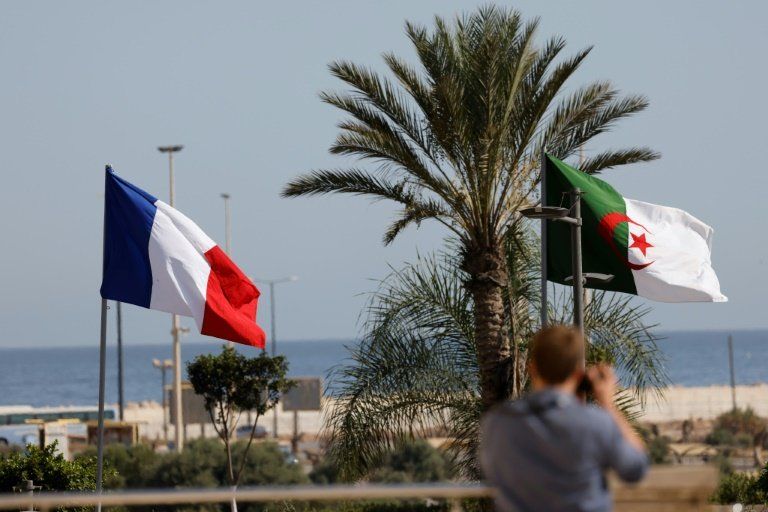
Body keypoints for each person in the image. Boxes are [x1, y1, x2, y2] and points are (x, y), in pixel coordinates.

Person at [479, 325, 648, 512]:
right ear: (578, 375)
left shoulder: (499, 423)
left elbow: (492, 472)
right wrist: (608, 404)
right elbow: (635, 469)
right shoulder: (595, 423)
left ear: (532, 369)